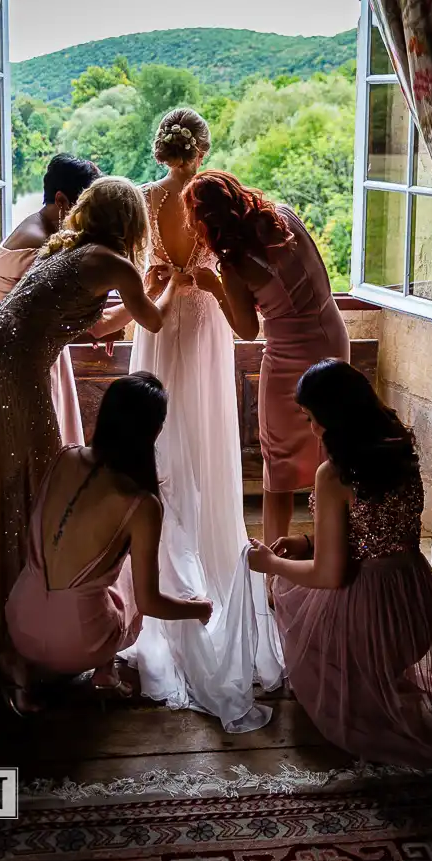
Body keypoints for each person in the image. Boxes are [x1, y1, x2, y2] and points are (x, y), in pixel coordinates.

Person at [0, 176, 188, 670]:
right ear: (130, 222)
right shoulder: (115, 263)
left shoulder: (67, 250)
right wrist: (170, 287)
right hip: (13, 368)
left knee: (3, 481)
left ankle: (7, 614)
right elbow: (154, 320)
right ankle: (29, 628)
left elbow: (98, 325)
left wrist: (143, 294)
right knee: (38, 479)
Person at [248, 359, 432, 769]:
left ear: (335, 417)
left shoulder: (333, 475)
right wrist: (305, 541)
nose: (312, 428)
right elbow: (376, 530)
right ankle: (373, 674)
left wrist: (270, 565)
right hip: (417, 608)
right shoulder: (400, 448)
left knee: (287, 591)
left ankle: (356, 675)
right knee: (300, 577)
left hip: (375, 620)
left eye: (313, 419)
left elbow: (329, 575)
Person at [122, 112, 283, 732]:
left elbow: (141, 275)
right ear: (203, 149)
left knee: (162, 446)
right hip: (206, 321)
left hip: (158, 323)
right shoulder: (211, 194)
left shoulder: (145, 198)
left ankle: (162, 566)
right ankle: (205, 569)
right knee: (205, 446)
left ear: (161, 148)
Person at [0, 373, 213, 714]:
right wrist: (199, 609)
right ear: (153, 432)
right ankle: (104, 670)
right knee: (127, 580)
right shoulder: (141, 503)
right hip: (79, 643)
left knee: (86, 574)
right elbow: (151, 603)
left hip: (19, 618)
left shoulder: (64, 457)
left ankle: (20, 667)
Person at [183, 171, 350, 556]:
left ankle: (275, 565)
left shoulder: (235, 265)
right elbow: (319, 275)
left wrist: (213, 288)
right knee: (334, 445)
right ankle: (335, 548)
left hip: (290, 356)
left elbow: (246, 329)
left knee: (279, 459)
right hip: (332, 337)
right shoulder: (285, 218)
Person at [0, 154, 101, 445]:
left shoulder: (43, 228)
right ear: (62, 199)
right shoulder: (38, 244)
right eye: (86, 207)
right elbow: (79, 316)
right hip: (28, 362)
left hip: (34, 351)